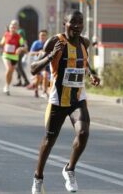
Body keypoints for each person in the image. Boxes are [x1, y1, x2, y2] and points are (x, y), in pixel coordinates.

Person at [30, 10, 100, 194]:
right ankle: (38, 178)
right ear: (64, 23)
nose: (77, 26)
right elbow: (33, 69)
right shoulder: (55, 42)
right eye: (73, 22)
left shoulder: (85, 42)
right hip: (58, 100)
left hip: (77, 99)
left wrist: (92, 73)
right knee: (49, 141)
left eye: (80, 22)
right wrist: (50, 57)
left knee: (83, 133)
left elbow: (84, 62)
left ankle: (69, 169)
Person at [0, 20, 26, 95]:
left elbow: (25, 47)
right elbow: (2, 44)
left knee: (11, 72)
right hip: (6, 55)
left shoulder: (19, 37)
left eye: (15, 27)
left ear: (17, 28)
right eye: (12, 27)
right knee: (9, 69)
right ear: (9, 27)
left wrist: (20, 48)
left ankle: (7, 86)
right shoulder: (6, 35)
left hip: (14, 57)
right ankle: (6, 86)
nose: (13, 29)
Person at [29, 29, 49, 98]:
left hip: (46, 64)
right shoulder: (36, 43)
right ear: (39, 36)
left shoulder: (49, 43)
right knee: (38, 78)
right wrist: (38, 52)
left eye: (44, 35)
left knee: (46, 75)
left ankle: (44, 91)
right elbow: (30, 53)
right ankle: (36, 90)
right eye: (41, 35)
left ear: (47, 36)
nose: (42, 37)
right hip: (37, 63)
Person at [12, 20, 30, 87]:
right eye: (12, 24)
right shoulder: (16, 32)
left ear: (17, 25)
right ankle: (19, 81)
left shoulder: (20, 31)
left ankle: (26, 81)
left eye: (14, 25)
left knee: (18, 66)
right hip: (16, 50)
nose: (13, 26)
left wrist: (24, 48)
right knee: (17, 66)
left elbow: (23, 41)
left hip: (20, 50)